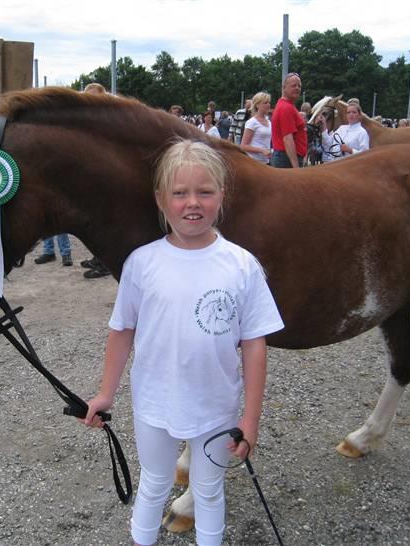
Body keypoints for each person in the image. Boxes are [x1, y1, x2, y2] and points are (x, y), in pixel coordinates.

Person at [83, 139, 284, 546]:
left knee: (208, 491)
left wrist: (251, 417)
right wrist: (106, 392)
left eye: (205, 192)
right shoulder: (142, 263)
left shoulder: (242, 265)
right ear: (161, 199)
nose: (192, 203)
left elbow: (254, 343)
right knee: (154, 483)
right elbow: (122, 329)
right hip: (154, 404)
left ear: (222, 195)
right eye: (180, 193)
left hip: (215, 409)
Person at [79, 82, 111, 278]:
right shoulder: (88, 120)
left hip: (107, 179)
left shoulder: (106, 119)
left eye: (92, 97)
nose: (88, 101)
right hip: (95, 178)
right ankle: (97, 257)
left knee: (106, 224)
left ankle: (104, 263)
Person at [270, 73, 307, 168]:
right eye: (293, 85)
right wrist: (296, 167)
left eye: (299, 86)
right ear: (284, 87)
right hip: (286, 159)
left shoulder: (286, 105)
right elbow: (287, 139)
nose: (297, 88)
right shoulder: (286, 108)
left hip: (284, 157)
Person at [240, 92, 272, 163]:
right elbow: (243, 146)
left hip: (266, 161)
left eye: (269, 102)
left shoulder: (269, 122)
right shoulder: (252, 122)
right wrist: (262, 150)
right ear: (257, 105)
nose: (268, 105)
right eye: (265, 103)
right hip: (253, 162)